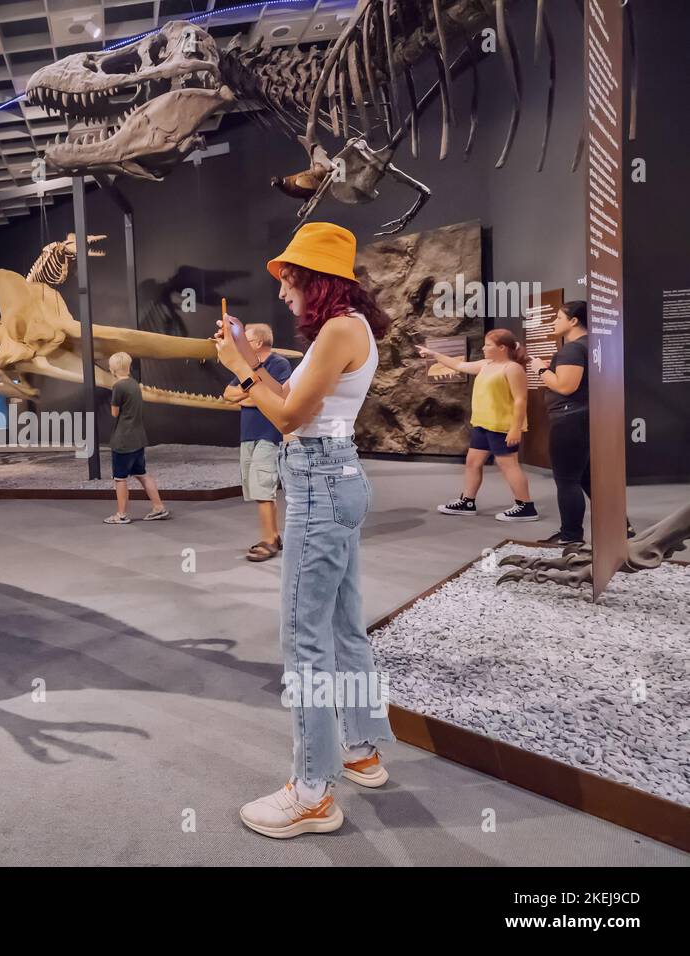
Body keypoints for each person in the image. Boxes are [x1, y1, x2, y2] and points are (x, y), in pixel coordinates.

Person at [214, 221, 395, 839]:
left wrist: (242, 368)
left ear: (313, 279)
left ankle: (313, 792)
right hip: (333, 478)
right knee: (345, 627)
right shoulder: (348, 330)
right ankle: (362, 750)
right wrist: (250, 370)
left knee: (305, 640)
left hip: (320, 487)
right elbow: (290, 398)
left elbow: (289, 415)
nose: (284, 293)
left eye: (289, 280)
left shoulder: (340, 331)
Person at [420, 330, 540, 522]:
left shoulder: (512, 368)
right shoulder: (485, 365)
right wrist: (434, 355)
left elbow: (520, 399)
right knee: (472, 462)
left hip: (501, 426)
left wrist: (515, 428)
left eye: (488, 345)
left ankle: (525, 506)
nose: (483, 348)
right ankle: (467, 502)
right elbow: (458, 364)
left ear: (502, 348)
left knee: (508, 465)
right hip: (482, 424)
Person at [222, 323, 293, 561]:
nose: (242, 344)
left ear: (259, 343)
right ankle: (272, 535)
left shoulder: (279, 364)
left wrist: (253, 395)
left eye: (246, 340)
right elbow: (227, 394)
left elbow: (277, 396)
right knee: (256, 487)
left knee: (263, 488)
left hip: (268, 435)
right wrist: (255, 392)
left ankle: (270, 540)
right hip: (248, 435)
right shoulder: (245, 368)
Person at [530, 301, 591, 544]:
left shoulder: (573, 349)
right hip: (586, 418)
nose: (554, 322)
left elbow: (566, 386)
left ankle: (571, 536)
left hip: (569, 420)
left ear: (573, 321)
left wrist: (540, 370)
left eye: (557, 318)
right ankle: (622, 527)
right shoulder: (593, 346)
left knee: (566, 480)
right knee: (587, 478)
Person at [104, 351, 170, 524]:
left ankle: (121, 514)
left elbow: (114, 412)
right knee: (142, 474)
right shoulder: (134, 384)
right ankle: (158, 507)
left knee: (120, 478)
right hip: (138, 438)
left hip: (123, 440)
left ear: (112, 369)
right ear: (129, 366)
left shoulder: (118, 387)